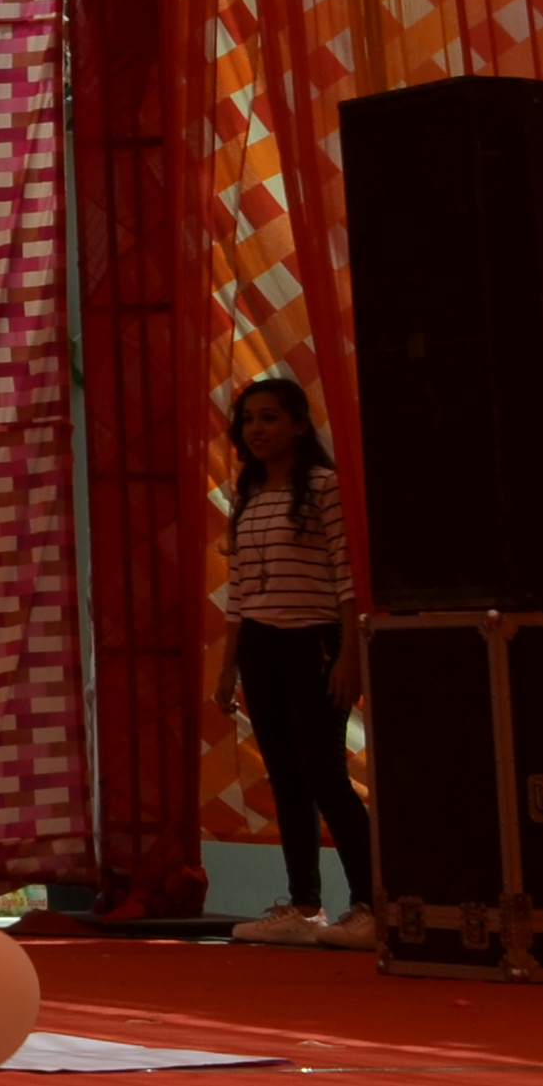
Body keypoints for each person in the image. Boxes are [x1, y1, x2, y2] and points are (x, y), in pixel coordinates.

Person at [218, 371, 375, 946]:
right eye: (248, 420)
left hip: (315, 640)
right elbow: (239, 590)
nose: (256, 430)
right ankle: (304, 905)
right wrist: (229, 667)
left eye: (270, 418)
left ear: (300, 425)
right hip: (261, 644)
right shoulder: (249, 494)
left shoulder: (324, 488)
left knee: (324, 773)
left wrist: (350, 656)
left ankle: (372, 903)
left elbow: (349, 578)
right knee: (285, 778)